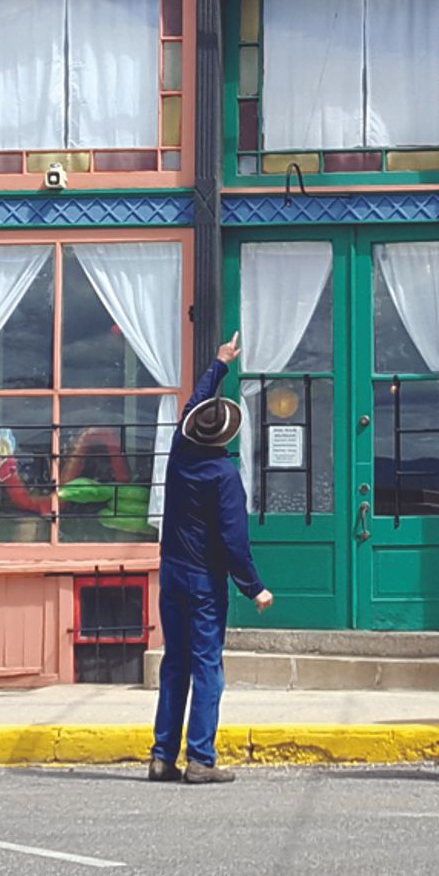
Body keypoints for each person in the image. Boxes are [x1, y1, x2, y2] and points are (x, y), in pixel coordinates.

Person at [153, 335, 269, 783]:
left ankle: (162, 755)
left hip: (172, 573)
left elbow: (191, 409)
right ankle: (200, 757)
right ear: (226, 434)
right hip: (204, 580)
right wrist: (254, 585)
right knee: (207, 668)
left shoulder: (179, 456)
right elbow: (234, 539)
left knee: (174, 663)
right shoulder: (223, 475)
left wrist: (218, 363)